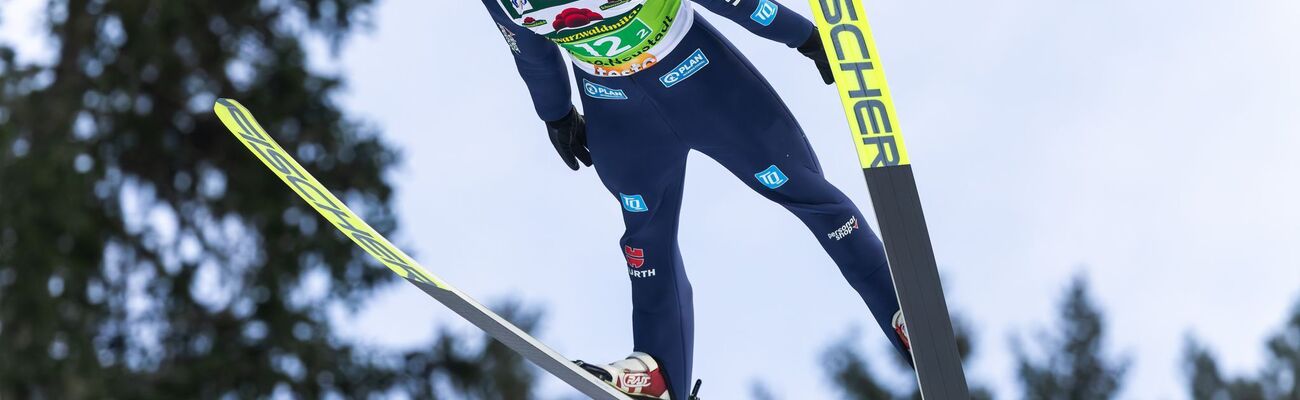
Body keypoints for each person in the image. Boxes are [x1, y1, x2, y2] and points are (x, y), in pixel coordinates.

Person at [479, 0, 911, 397]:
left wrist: (801, 34)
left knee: (806, 193)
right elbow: (526, 47)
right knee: (644, 242)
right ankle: (656, 371)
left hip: (706, 81)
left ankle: (903, 312)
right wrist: (554, 112)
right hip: (617, 110)